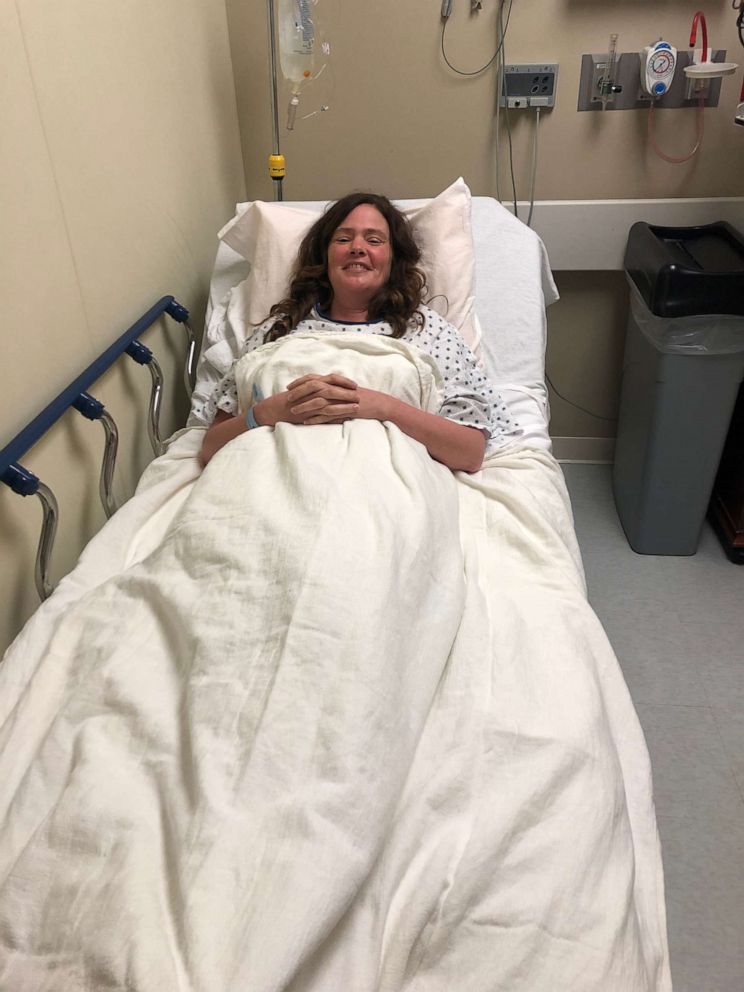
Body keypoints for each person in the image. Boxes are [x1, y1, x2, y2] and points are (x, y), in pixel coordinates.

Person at [199, 192, 519, 472]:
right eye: (343, 238)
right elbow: (210, 447)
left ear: (394, 261)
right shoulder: (278, 330)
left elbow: (468, 452)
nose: (357, 248)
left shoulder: (429, 332)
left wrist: (380, 407)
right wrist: (268, 413)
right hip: (265, 475)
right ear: (324, 258)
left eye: (374, 240)